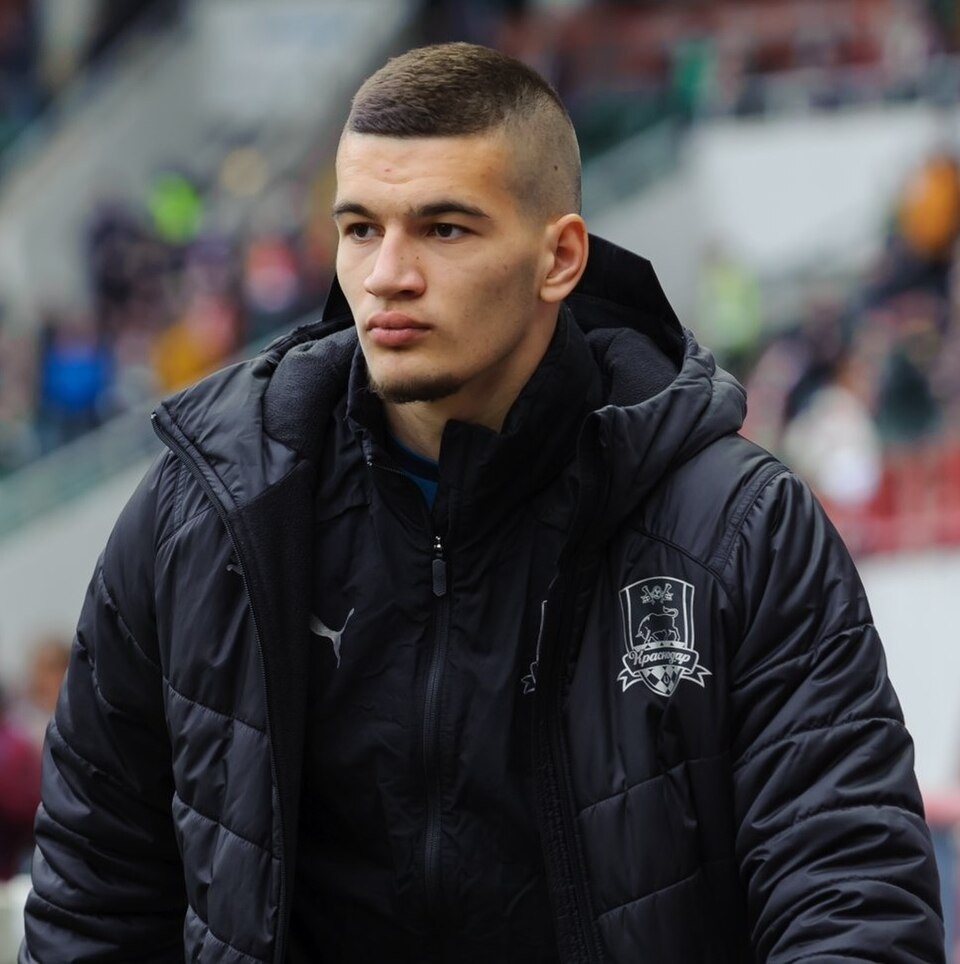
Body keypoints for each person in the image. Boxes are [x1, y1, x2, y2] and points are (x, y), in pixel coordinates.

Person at [20, 42, 943, 963]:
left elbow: (852, 901)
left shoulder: (738, 528)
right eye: (360, 229)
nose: (387, 275)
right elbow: (93, 905)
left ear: (560, 257)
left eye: (444, 229)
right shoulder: (202, 517)